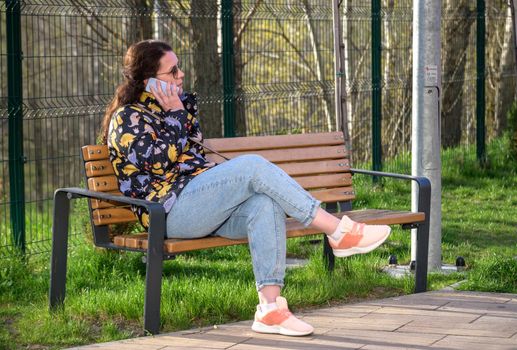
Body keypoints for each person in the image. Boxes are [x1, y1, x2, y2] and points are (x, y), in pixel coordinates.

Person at [101, 39, 392, 337]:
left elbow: (193, 159)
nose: (181, 75)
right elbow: (159, 164)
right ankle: (338, 231)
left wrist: (178, 113)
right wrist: (176, 113)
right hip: (167, 212)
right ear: (150, 81)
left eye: (180, 68)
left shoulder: (174, 109)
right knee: (252, 166)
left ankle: (270, 310)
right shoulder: (128, 118)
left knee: (265, 205)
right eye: (173, 71)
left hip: (199, 205)